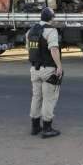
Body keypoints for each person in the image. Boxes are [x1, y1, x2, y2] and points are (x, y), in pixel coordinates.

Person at [27, 7, 63, 139]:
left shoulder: (31, 30)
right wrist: (59, 66)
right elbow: (53, 49)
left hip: (34, 70)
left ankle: (35, 127)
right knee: (49, 98)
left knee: (36, 97)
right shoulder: (51, 31)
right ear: (51, 18)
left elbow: (29, 49)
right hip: (48, 70)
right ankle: (47, 128)